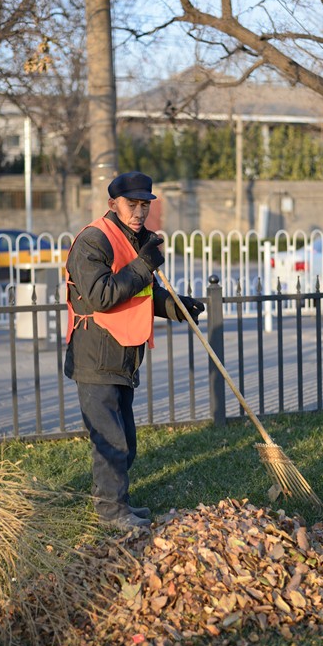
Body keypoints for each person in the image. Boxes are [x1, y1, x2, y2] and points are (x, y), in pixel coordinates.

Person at [65, 171, 204, 531]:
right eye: (132, 204)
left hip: (124, 355)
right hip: (95, 355)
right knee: (110, 440)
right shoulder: (93, 241)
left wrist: (180, 307)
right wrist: (144, 265)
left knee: (125, 440)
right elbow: (101, 294)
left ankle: (117, 501)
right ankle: (111, 512)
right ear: (113, 204)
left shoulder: (133, 239)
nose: (140, 211)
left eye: (145, 204)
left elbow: (144, 293)